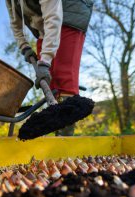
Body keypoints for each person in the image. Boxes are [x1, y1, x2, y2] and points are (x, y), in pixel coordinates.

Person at [5, 0, 93, 135]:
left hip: (69, 14)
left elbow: (53, 16)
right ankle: (58, 138)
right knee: (52, 86)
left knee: (64, 82)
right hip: (43, 28)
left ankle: (65, 143)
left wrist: (45, 62)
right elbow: (15, 22)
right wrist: (24, 46)